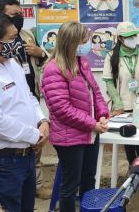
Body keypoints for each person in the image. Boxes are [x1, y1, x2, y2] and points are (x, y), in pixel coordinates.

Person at [0, 12, 49, 212]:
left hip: (26, 155)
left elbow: (28, 96)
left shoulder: (10, 61)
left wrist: (42, 121)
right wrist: (35, 136)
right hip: (1, 163)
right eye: (13, 39)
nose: (19, 44)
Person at [41, 22, 109, 212]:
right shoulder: (53, 69)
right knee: (70, 185)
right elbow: (61, 108)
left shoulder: (82, 62)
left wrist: (102, 114)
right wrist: (92, 124)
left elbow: (95, 91)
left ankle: (88, 209)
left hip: (90, 133)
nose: (86, 45)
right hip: (69, 137)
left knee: (89, 179)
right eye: (83, 41)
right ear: (71, 42)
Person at [0, 0, 52, 200]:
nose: (18, 19)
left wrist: (40, 53)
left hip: (30, 95)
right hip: (8, 102)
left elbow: (44, 64)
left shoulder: (26, 35)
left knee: (36, 146)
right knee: (17, 144)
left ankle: (35, 184)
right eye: (13, 15)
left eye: (20, 14)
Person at [102, 22, 139, 190]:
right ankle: (132, 168)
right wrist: (117, 103)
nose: (132, 39)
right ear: (120, 38)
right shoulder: (112, 55)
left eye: (134, 35)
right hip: (123, 105)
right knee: (127, 137)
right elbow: (109, 82)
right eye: (128, 37)